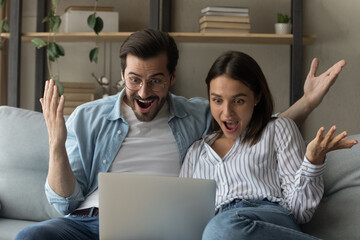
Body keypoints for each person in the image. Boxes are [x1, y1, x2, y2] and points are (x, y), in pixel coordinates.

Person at [15, 29, 347, 240]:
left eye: (156, 80)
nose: (143, 92)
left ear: (173, 77)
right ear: (122, 75)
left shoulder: (197, 115)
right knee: (30, 237)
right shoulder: (89, 117)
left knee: (221, 230)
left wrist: (306, 103)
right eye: (134, 80)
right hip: (91, 222)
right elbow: (63, 204)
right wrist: (56, 145)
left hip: (172, 226)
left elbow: (251, 125)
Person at [179, 51, 358, 240]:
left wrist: (312, 162)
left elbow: (300, 212)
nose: (227, 112)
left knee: (222, 229)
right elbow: (182, 215)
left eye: (238, 101)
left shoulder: (279, 129)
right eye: (217, 100)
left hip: (268, 220)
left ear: (257, 97)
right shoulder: (196, 152)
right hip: (216, 231)